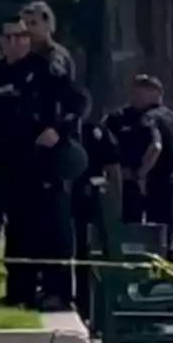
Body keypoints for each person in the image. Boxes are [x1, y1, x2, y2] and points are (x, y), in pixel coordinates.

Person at [0, 15, 86, 310]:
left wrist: (57, 130)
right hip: (6, 160)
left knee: (52, 227)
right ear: (0, 41)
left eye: (22, 36)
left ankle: (58, 291)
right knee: (15, 229)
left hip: (42, 162)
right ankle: (19, 290)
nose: (17, 42)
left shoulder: (46, 70)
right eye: (10, 37)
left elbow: (78, 103)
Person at [106, 74, 173, 267]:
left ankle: (156, 282)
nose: (135, 98)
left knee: (153, 239)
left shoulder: (149, 118)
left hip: (157, 184)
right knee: (171, 240)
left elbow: (155, 147)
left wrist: (141, 174)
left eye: (139, 92)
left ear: (153, 94)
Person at [71, 94, 122, 322]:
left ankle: (97, 306)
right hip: (89, 200)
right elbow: (114, 170)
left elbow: (113, 168)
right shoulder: (94, 131)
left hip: (86, 200)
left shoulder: (88, 132)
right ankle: (93, 306)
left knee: (90, 254)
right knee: (88, 254)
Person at [20, 0, 76, 79]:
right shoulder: (21, 55)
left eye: (33, 23)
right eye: (25, 24)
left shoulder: (57, 57)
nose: (28, 28)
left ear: (47, 24)